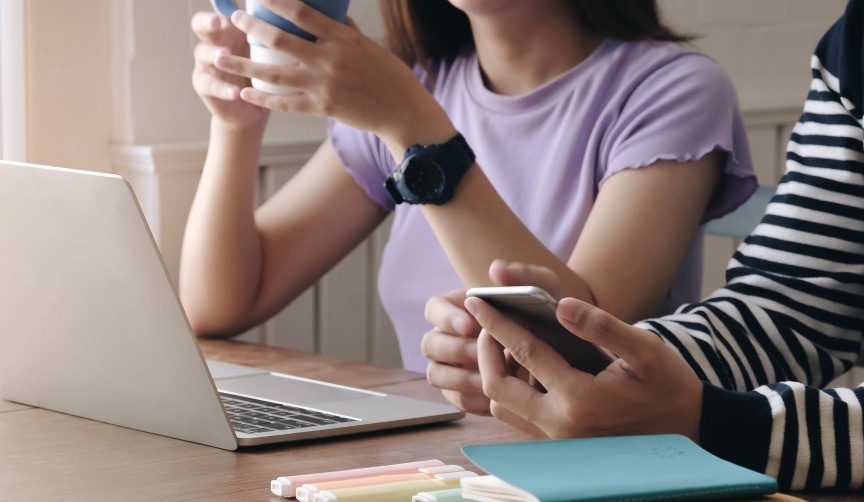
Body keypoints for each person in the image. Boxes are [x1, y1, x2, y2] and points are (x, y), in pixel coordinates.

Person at [422, 0, 864, 491]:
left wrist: (718, 424)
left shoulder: (670, 86)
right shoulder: (855, 42)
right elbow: (795, 306)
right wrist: (591, 361)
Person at [181, 0, 756, 372]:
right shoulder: (424, 85)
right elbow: (222, 304)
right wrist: (236, 125)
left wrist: (414, 129)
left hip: (577, 475)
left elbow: (584, 346)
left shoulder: (673, 91)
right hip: (423, 473)